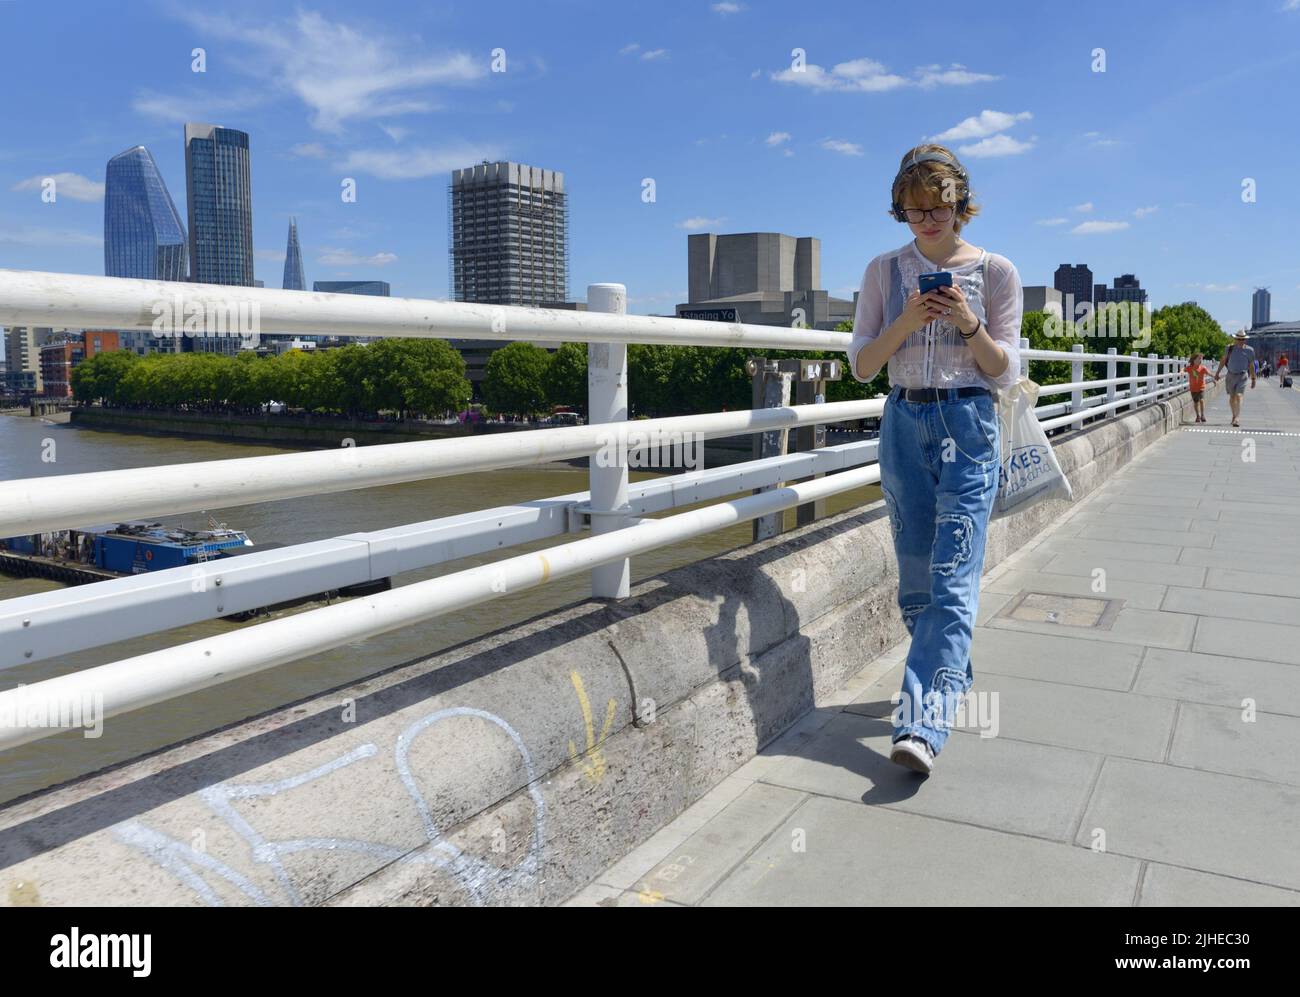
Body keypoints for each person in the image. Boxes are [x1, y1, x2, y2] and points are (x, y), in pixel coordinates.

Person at [846, 143, 1022, 775]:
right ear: (901, 209)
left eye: (938, 206)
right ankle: (951, 677)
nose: (927, 220)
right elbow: (863, 365)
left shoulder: (997, 271)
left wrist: (969, 323)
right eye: (914, 209)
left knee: (952, 578)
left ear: (960, 203)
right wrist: (908, 320)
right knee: (918, 584)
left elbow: (1006, 371)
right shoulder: (884, 272)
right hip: (904, 421)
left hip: (969, 422)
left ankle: (922, 725)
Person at [1213, 331, 1256, 427]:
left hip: (1242, 375)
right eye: (1239, 339)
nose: (1241, 341)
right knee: (1232, 398)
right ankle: (1234, 415)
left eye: (1243, 339)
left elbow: (1251, 365)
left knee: (1239, 395)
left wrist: (1253, 378)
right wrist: (1217, 373)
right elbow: (1223, 360)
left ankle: (1237, 418)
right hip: (1231, 375)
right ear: (1235, 339)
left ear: (1245, 340)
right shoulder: (1229, 348)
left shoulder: (1250, 350)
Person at [1184, 352, 1213, 423]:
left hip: (1201, 387)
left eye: (1201, 359)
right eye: (1199, 359)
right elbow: (1184, 369)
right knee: (1196, 402)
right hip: (1193, 388)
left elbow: (1209, 373)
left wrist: (1215, 377)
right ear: (1194, 360)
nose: (1200, 361)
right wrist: (1181, 371)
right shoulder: (1190, 368)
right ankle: (1198, 415)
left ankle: (1203, 415)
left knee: (1202, 400)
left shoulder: (1203, 368)